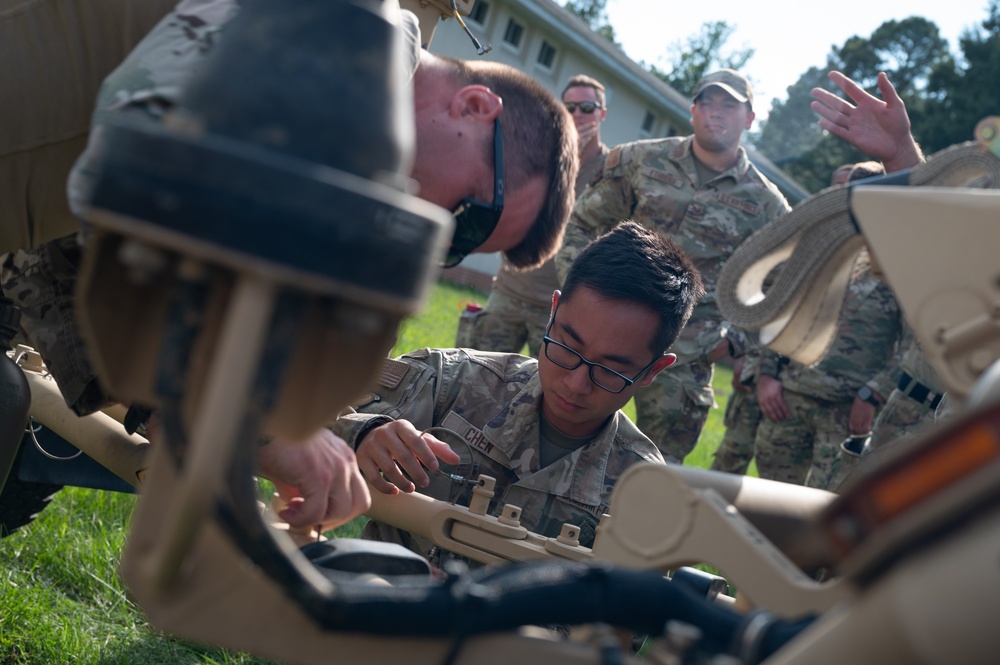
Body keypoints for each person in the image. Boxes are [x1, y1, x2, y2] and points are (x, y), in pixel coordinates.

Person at [1, 0, 578, 532]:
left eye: (456, 247)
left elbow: (56, 251)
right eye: (467, 218)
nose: (434, 235)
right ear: (475, 107)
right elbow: (127, 184)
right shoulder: (347, 35)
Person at [332, 221, 703, 558]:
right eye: (568, 347)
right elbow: (281, 425)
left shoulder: (640, 490)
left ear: (653, 371)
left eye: (610, 370)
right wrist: (359, 435)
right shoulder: (451, 381)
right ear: (553, 312)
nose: (576, 384)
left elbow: (623, 626)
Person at [557, 69, 791, 464]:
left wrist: (734, 342)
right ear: (693, 111)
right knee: (565, 441)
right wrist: (580, 298)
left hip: (686, 359)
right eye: (707, 103)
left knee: (653, 473)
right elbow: (582, 224)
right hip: (602, 343)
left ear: (749, 118)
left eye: (729, 105)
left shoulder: (768, 206)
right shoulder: (640, 160)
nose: (715, 113)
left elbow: (784, 291)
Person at [753, 161, 903, 489]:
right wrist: (766, 374)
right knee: (770, 498)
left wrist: (873, 393)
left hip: (848, 410)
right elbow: (779, 311)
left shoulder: (901, 260)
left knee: (825, 505)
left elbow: (912, 342)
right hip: (790, 399)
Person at [463, 74, 610, 358]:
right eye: (569, 107)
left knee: (542, 394)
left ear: (602, 113)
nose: (577, 114)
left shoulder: (612, 170)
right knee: (476, 379)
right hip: (508, 291)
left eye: (587, 107)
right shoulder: (542, 152)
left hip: (558, 306)